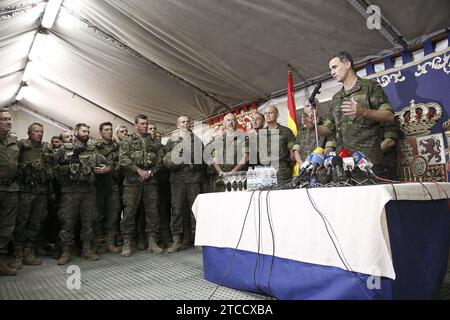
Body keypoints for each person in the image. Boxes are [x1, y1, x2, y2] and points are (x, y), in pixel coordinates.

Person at [302, 51, 395, 175]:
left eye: (334, 67)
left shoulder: (370, 87)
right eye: (330, 69)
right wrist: (312, 127)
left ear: (347, 64)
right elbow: (329, 129)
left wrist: (364, 112)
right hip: (343, 163)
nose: (332, 72)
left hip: (368, 161)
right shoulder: (336, 98)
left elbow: (389, 116)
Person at [54, 123, 100, 264]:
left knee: (88, 221)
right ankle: (66, 251)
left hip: (87, 191)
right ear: (76, 132)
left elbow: (104, 164)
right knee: (67, 222)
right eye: (83, 131)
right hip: (69, 191)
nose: (86, 133)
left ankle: (86, 250)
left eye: (87, 131)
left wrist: (107, 169)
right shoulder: (64, 149)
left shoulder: (92, 150)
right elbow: (54, 168)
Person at [119, 115, 164, 256]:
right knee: (129, 212)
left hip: (150, 182)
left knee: (152, 211)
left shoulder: (153, 141)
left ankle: (152, 242)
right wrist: (138, 171)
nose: (145, 126)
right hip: (132, 182)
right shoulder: (127, 140)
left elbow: (160, 159)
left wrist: (149, 173)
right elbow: (123, 159)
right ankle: (127, 242)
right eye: (142, 123)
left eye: (146, 123)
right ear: (135, 125)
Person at [11, 123, 54, 269]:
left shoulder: (47, 148)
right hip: (25, 191)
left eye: (41, 131)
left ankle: (29, 252)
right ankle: (18, 254)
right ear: (29, 133)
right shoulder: (21, 146)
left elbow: (52, 168)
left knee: (35, 222)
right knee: (21, 222)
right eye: (36, 131)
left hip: (41, 191)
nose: (39, 134)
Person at [163, 116, 205, 252]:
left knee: (195, 210)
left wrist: (193, 162)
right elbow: (167, 160)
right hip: (177, 181)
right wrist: (180, 161)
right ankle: (177, 240)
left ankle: (198, 239)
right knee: (177, 210)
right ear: (178, 125)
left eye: (187, 122)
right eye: (183, 122)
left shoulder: (197, 141)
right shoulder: (171, 141)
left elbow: (204, 161)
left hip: (193, 180)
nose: (185, 124)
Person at [92, 122, 122, 254]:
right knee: (96, 215)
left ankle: (110, 243)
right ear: (100, 132)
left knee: (113, 214)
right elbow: (89, 162)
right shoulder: (93, 146)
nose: (109, 132)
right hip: (97, 186)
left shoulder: (117, 146)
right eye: (106, 130)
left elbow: (122, 163)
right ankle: (95, 244)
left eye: (110, 129)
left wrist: (110, 169)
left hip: (112, 185)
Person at [0, 108, 20, 276]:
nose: (8, 122)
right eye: (3, 119)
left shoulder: (13, 141)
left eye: (9, 119)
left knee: (7, 226)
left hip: (11, 189)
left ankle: (0, 261)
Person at [211, 113, 249, 191]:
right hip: (221, 178)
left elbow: (246, 157)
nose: (231, 122)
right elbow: (214, 158)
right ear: (224, 123)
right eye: (228, 120)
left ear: (236, 123)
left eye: (233, 120)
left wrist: (232, 172)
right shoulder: (218, 140)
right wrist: (220, 172)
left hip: (238, 178)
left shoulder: (243, 138)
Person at [292, 98, 336, 163]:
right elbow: (296, 150)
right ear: (304, 109)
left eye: (313, 105)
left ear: (318, 106)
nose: (311, 108)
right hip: (304, 168)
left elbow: (329, 148)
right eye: (307, 106)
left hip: (321, 167)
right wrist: (302, 164)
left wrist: (317, 162)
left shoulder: (327, 125)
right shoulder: (301, 129)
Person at [260, 105, 296, 184]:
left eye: (270, 113)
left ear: (277, 115)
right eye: (265, 113)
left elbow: (292, 153)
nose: (267, 115)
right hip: (265, 173)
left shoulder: (286, 131)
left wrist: (288, 166)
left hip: (282, 173)